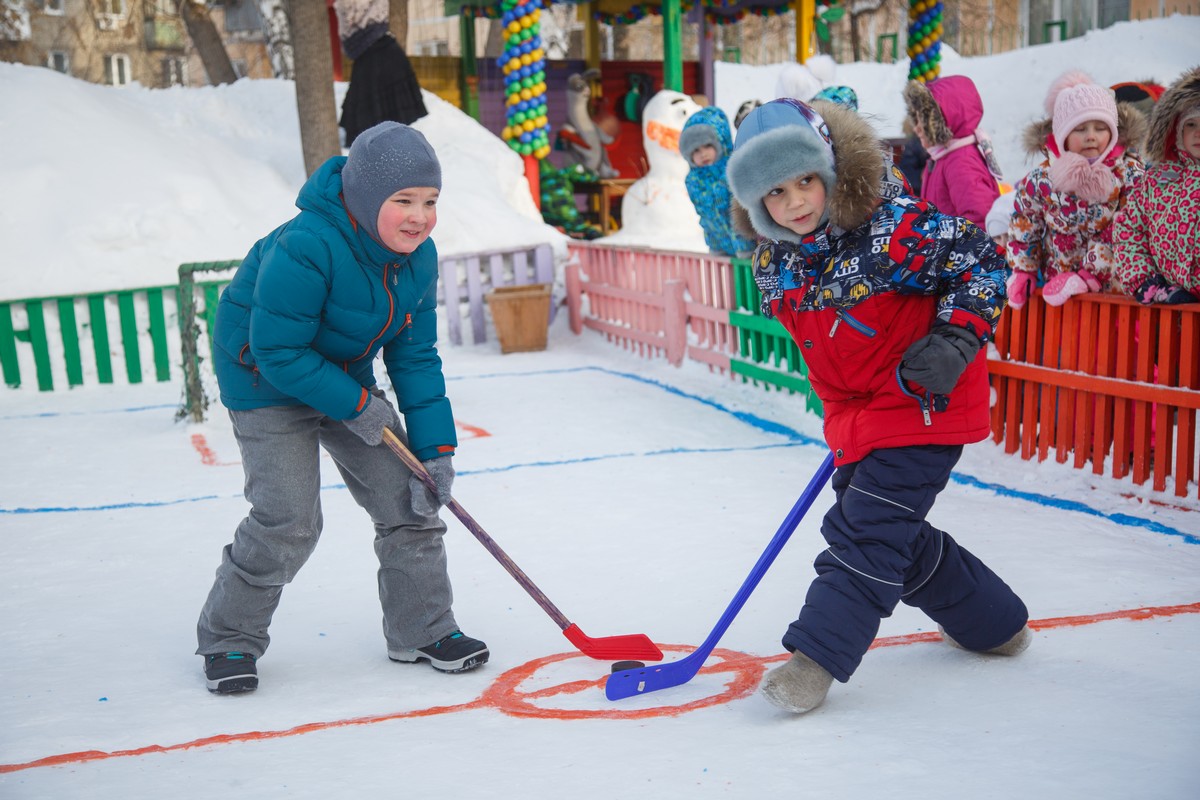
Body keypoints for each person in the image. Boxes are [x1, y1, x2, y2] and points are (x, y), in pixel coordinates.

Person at [726, 98, 1030, 715]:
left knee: (864, 533)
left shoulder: (893, 226)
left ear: (831, 166)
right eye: (775, 193)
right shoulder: (778, 262)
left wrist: (957, 338)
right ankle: (997, 624)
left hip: (923, 402)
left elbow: (981, 260)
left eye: (805, 179)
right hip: (858, 418)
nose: (796, 203)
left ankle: (815, 660)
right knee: (894, 537)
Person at [195, 121, 487, 694]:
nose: (419, 216)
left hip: (341, 375)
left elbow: (416, 358)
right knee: (289, 519)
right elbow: (278, 349)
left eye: (430, 201)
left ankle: (422, 629)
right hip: (264, 377)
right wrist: (356, 405)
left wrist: (436, 452)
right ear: (363, 198)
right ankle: (229, 635)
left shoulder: (417, 259)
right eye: (402, 200)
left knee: (411, 498)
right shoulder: (308, 244)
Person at [1006, 71, 1146, 308]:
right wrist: (1024, 269)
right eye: (1080, 129)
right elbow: (1025, 222)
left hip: (1112, 295)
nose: (1091, 137)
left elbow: (1126, 227)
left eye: (1100, 128)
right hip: (1057, 292)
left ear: (1112, 133)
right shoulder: (1043, 178)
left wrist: (1089, 275)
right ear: (1063, 136)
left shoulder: (1128, 175)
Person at [1114, 66, 1200, 304]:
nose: (1198, 133)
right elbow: (1129, 230)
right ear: (1175, 130)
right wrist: (1144, 279)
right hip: (1168, 302)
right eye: (1191, 125)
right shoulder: (1156, 181)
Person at [903, 75, 1003, 228]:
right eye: (915, 120)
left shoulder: (961, 163)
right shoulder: (943, 158)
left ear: (942, 121)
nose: (916, 128)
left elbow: (979, 222)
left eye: (922, 121)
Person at [336, 0, 428, 147]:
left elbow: (348, 37)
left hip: (376, 60)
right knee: (385, 136)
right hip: (383, 55)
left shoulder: (348, 10)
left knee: (380, 137)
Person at [679, 106, 756, 257]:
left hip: (750, 246)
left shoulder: (733, 169)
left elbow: (739, 211)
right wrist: (714, 245)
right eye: (695, 150)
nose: (703, 154)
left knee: (749, 279)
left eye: (708, 145)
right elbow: (706, 217)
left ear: (721, 140)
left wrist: (745, 245)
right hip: (722, 248)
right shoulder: (693, 181)